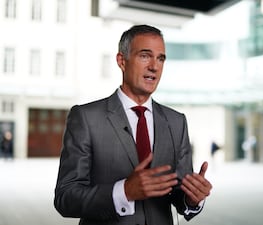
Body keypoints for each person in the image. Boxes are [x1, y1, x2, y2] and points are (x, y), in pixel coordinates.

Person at [54, 24, 212, 225]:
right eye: (145, 56)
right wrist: (124, 192)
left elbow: (180, 198)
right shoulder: (86, 118)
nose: (154, 66)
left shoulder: (176, 121)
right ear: (122, 61)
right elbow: (65, 198)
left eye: (161, 58)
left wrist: (192, 198)